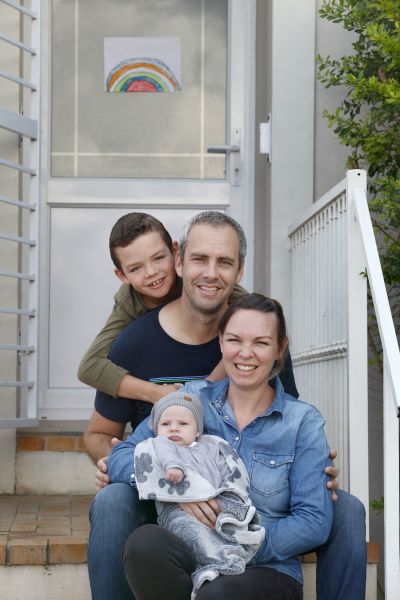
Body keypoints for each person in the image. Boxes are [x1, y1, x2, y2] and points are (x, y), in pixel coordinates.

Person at [85, 211, 366, 600]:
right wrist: (152, 471)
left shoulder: (265, 356)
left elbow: (287, 430)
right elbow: (106, 439)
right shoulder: (149, 355)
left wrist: (312, 467)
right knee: (113, 500)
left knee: (346, 509)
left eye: (225, 262)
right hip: (166, 500)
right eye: (200, 259)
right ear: (180, 260)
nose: (211, 273)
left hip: (250, 525)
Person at [105, 294, 334, 600]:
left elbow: (313, 521)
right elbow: (121, 456)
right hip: (191, 550)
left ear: (280, 348)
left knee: (219, 593)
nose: (246, 353)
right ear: (221, 342)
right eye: (235, 340)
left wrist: (238, 545)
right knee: (145, 544)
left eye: (262, 343)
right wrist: (179, 488)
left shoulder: (302, 422)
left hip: (266, 569)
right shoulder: (191, 400)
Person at [109, 390, 265, 598]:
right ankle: (214, 563)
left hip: (216, 503)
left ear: (197, 430)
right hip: (179, 511)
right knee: (190, 530)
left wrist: (227, 494)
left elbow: (229, 469)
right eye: (165, 425)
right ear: (156, 431)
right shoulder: (161, 445)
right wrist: (178, 478)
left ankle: (224, 555)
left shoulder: (211, 446)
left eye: (183, 424)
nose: (173, 428)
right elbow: (165, 458)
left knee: (226, 524)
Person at [77, 211, 246, 403]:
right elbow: (89, 367)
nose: (151, 272)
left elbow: (260, 319)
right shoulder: (129, 303)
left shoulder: (204, 281)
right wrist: (156, 393)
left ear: (176, 253)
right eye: (135, 268)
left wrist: (207, 386)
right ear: (122, 276)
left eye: (158, 258)